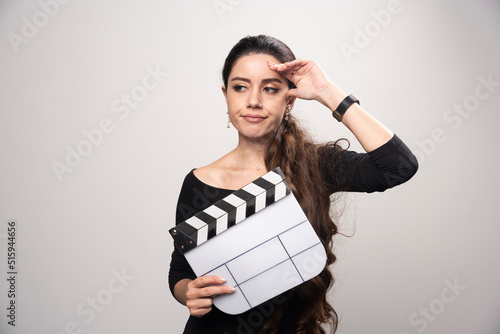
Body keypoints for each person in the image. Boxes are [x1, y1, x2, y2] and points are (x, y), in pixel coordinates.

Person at [169, 35, 418, 334]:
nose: (253, 100)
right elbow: (181, 272)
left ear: (290, 99)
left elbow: (398, 166)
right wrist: (189, 293)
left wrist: (329, 92)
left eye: (270, 89)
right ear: (226, 95)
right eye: (240, 87)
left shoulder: (315, 165)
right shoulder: (200, 182)